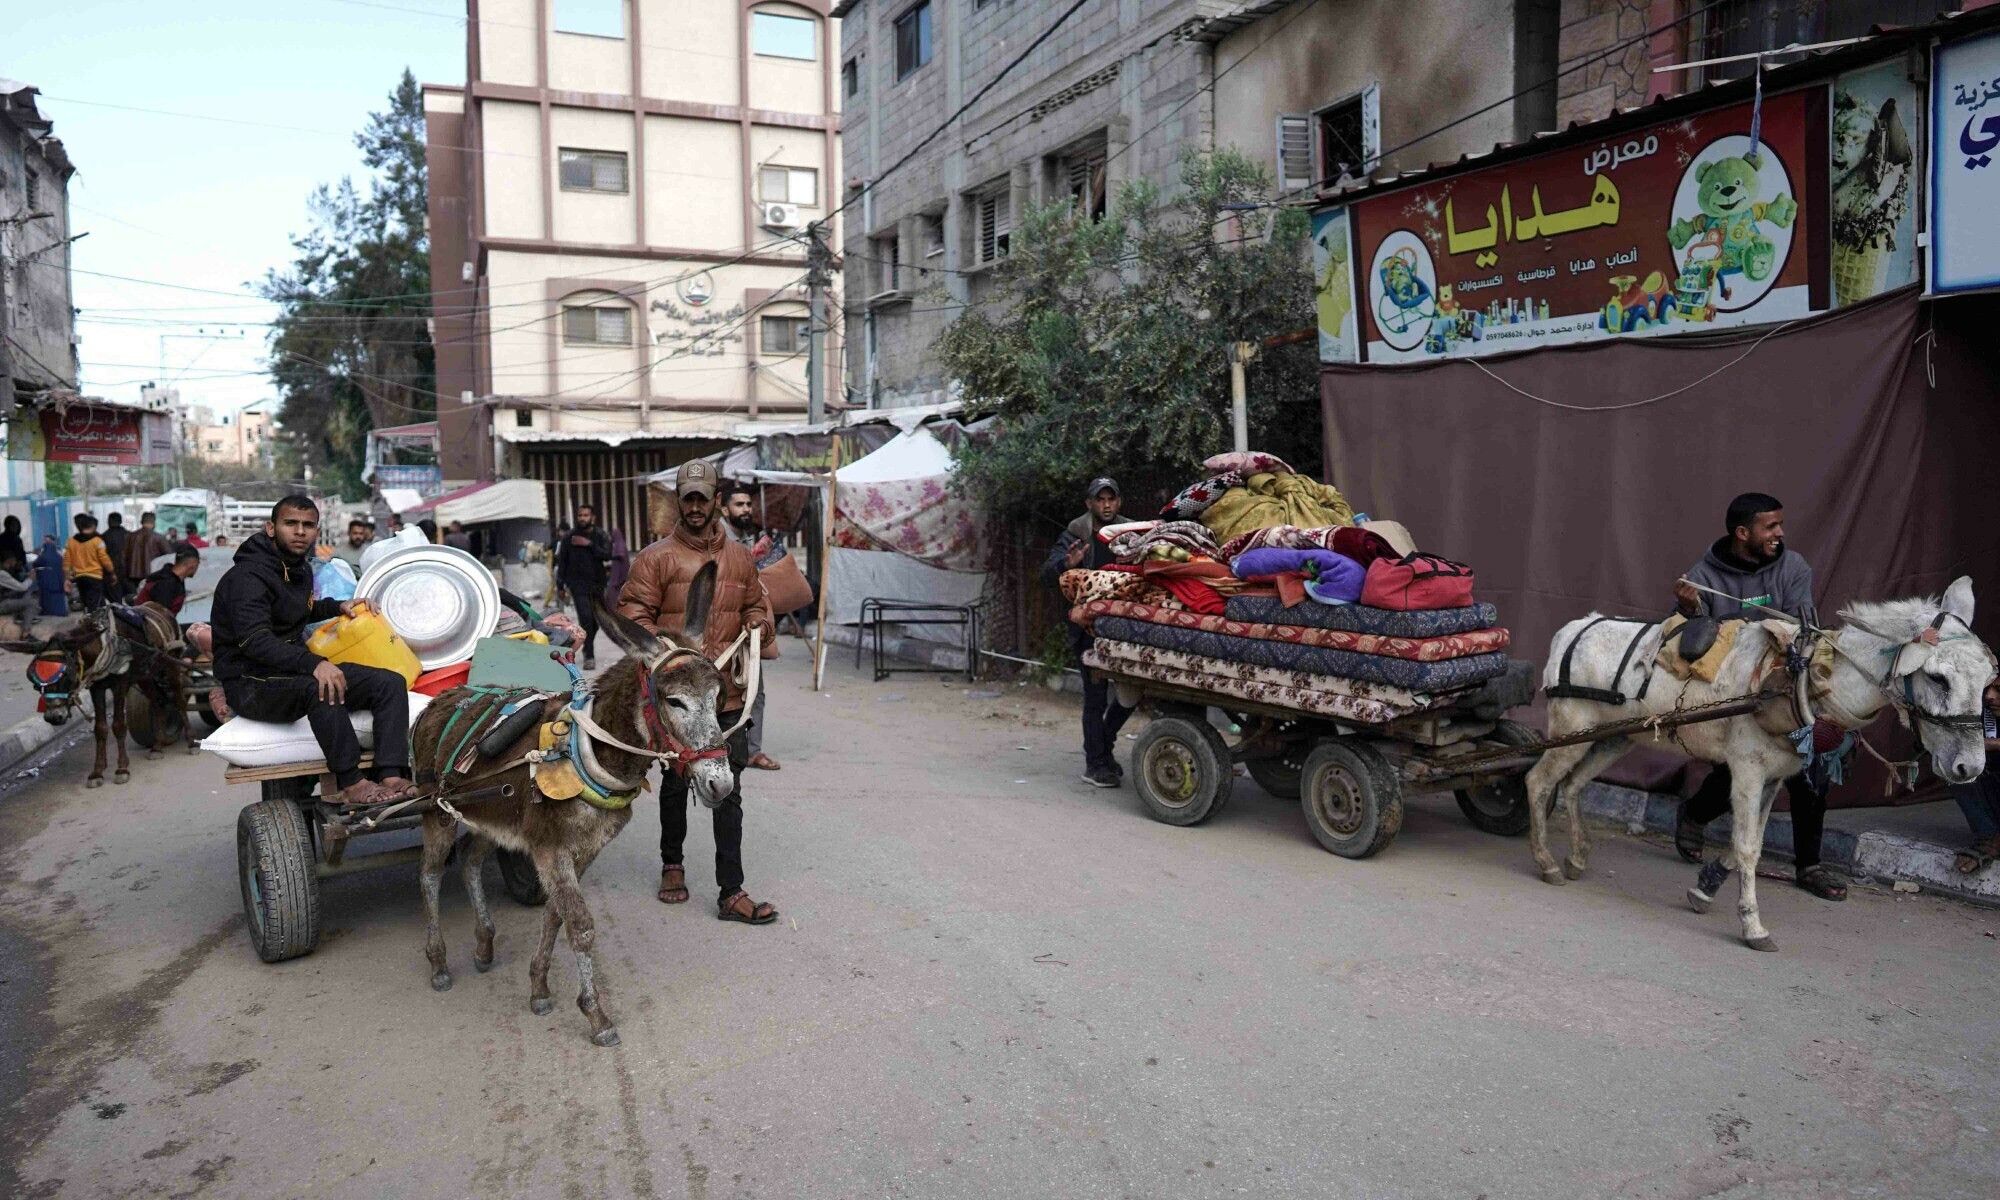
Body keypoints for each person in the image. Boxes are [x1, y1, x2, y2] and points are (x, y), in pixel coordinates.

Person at [618, 459, 779, 925]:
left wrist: (758, 624)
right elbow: (632, 617)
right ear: (678, 501)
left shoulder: (740, 558)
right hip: (680, 703)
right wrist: (670, 651)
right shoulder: (655, 558)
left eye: (701, 499)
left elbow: (757, 606)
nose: (694, 507)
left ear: (716, 501)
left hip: (727, 696)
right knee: (674, 783)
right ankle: (672, 863)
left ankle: (732, 891)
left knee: (729, 790)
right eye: (686, 499)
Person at [1671, 492, 1847, 901]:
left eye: (1780, 524)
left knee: (1809, 764)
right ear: (1742, 532)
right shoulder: (1703, 575)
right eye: (1770, 526)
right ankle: (1694, 815)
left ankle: (1809, 865)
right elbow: (1694, 643)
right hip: (1732, 693)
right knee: (1737, 770)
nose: (1780, 533)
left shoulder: (1793, 566)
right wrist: (1691, 610)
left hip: (1784, 687)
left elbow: (1803, 629)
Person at [211, 496, 414, 807]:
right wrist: (314, 663)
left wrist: (338, 606)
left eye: (307, 525)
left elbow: (294, 611)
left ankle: (391, 774)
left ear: (317, 531)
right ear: (270, 528)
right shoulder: (246, 578)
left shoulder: (298, 569)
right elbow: (255, 639)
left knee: (389, 683)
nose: (299, 531)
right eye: (290, 523)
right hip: (251, 682)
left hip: (289, 671)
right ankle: (352, 782)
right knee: (322, 687)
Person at [1041, 477, 1133, 789]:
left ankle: (1103, 748)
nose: (1106, 505)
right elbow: (1047, 573)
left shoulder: (1130, 532)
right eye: (1100, 499)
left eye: (1111, 499)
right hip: (1087, 630)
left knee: (1130, 694)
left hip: (1124, 627)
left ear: (1118, 502)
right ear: (1089, 504)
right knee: (1095, 697)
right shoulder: (1075, 533)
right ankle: (1095, 765)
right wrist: (1066, 565)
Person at [721, 483, 782, 771]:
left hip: (748, 625)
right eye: (739, 504)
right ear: (724, 509)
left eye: (748, 504)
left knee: (755, 689)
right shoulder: (718, 539)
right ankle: (714, 750)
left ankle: (751, 751)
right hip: (721, 629)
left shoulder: (746, 538)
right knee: (718, 691)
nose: (746, 509)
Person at [554, 503, 614, 670]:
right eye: (580, 515)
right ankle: (589, 655)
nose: (582, 518)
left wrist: (589, 544)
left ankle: (581, 641)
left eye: (585, 515)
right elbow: (562, 562)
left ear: (592, 517)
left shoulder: (600, 535)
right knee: (586, 619)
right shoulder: (569, 537)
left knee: (596, 622)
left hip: (597, 584)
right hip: (577, 585)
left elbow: (607, 555)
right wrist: (560, 585)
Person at [1950, 683, 2000, 874]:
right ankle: (1990, 836)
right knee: (1955, 763)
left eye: (1999, 690)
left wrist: (1992, 744)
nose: (1989, 696)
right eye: (1987, 688)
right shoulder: (1981, 709)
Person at [64, 513, 118, 610]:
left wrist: (67, 578)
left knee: (87, 604)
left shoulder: (71, 541)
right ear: (93, 526)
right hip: (95, 577)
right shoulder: (97, 541)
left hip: (80, 578)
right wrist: (112, 572)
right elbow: (105, 559)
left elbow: (66, 562)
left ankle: (89, 616)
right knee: (96, 606)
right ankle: (94, 619)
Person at [121, 512, 172, 601]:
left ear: (141, 521)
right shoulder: (159, 538)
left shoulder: (130, 536)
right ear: (153, 522)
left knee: (135, 600)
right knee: (150, 601)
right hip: (152, 575)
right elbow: (169, 557)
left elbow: (123, 557)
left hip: (133, 575)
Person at [136, 544, 200, 616]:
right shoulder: (166, 583)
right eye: (198, 563)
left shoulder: (175, 579)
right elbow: (160, 616)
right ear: (192, 564)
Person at [33, 534, 67, 618]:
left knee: (47, 598)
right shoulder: (59, 557)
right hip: (58, 582)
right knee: (58, 598)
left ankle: (47, 611)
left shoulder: (43, 557)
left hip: (46, 583)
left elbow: (35, 564)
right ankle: (60, 612)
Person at [101, 513, 131, 600]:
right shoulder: (129, 535)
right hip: (128, 571)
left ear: (108, 521)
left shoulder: (103, 537)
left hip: (110, 572)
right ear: (121, 521)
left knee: (115, 599)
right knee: (130, 598)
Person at [0, 554, 34, 620]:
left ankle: (20, 616)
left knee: (18, 593)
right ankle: (26, 625)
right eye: (11, 564)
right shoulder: (2, 573)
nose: (12, 566)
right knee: (32, 602)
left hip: (3, 598)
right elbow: (22, 588)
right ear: (8, 561)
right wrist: (31, 578)